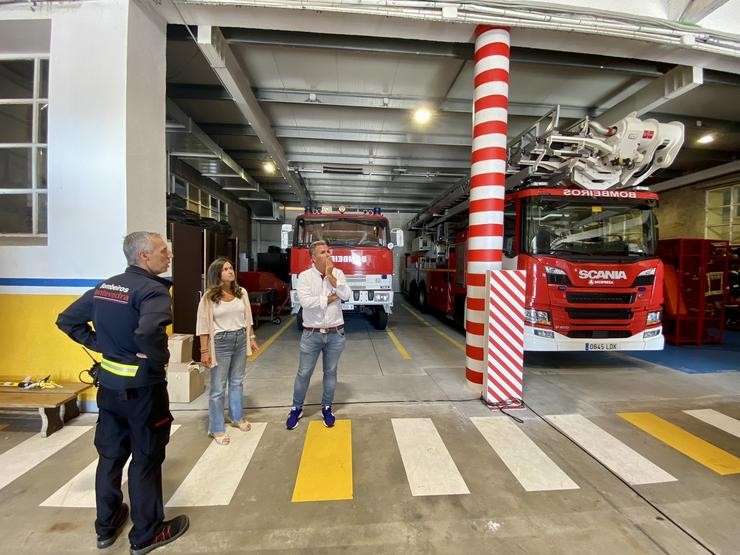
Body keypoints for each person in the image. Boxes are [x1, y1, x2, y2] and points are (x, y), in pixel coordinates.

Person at [56, 231, 189, 555]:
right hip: (144, 391)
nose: (168, 255)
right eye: (162, 251)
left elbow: (67, 321)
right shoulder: (153, 291)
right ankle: (147, 534)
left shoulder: (106, 287)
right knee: (145, 458)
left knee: (111, 456)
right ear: (144, 256)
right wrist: (157, 358)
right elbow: (148, 331)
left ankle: (107, 525)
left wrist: (100, 345)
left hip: (110, 388)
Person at [286, 240, 352, 430]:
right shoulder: (305, 277)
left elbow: (346, 295)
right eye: (323, 252)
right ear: (314, 258)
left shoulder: (337, 273)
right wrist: (331, 297)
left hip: (335, 333)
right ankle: (296, 408)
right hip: (312, 334)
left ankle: (327, 407)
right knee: (304, 373)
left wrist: (331, 276)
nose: (328, 255)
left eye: (329, 251)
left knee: (330, 373)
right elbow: (306, 302)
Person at [196, 257, 259, 445]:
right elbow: (203, 325)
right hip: (221, 342)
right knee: (217, 388)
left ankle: (237, 417)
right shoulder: (209, 297)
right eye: (225, 269)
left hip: (240, 338)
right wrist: (204, 351)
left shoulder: (241, 293)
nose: (230, 271)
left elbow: (247, 317)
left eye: (231, 268)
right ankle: (216, 428)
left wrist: (251, 338)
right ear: (217, 274)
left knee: (237, 381)